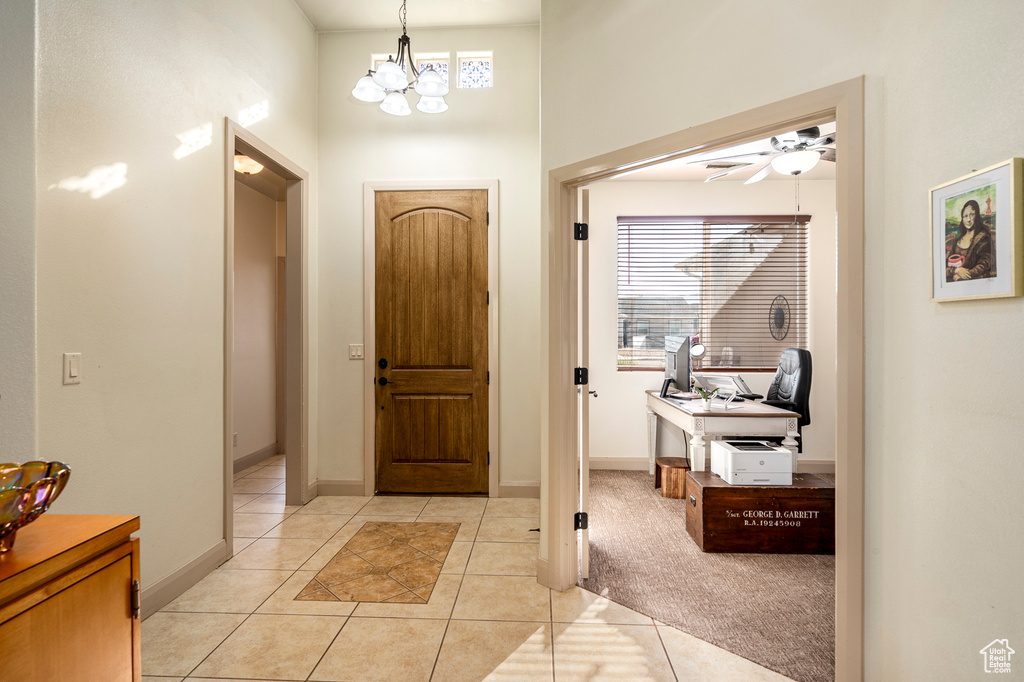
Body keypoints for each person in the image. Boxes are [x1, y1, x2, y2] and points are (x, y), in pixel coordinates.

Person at [946, 199, 994, 281]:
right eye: (965, 216)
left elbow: (984, 264)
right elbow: (946, 266)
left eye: (971, 215)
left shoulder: (983, 238)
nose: (968, 220)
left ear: (977, 216)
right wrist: (956, 270)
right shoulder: (957, 241)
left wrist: (963, 276)